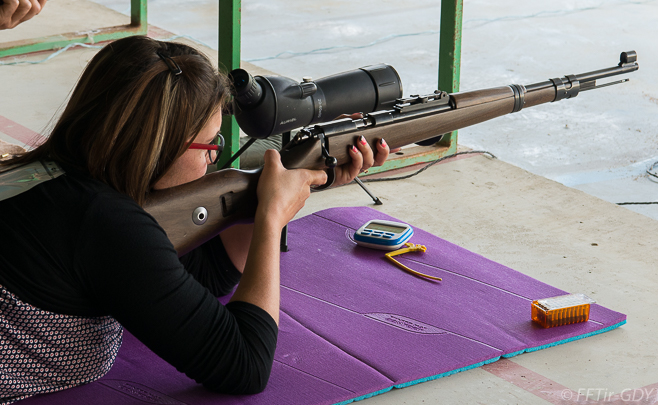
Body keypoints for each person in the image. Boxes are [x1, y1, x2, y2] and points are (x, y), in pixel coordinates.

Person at [0, 36, 391, 403]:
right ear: (157, 145)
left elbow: (203, 276)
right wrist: (272, 219)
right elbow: (245, 368)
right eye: (210, 144)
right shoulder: (106, 224)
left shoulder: (41, 174)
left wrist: (296, 178)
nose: (213, 158)